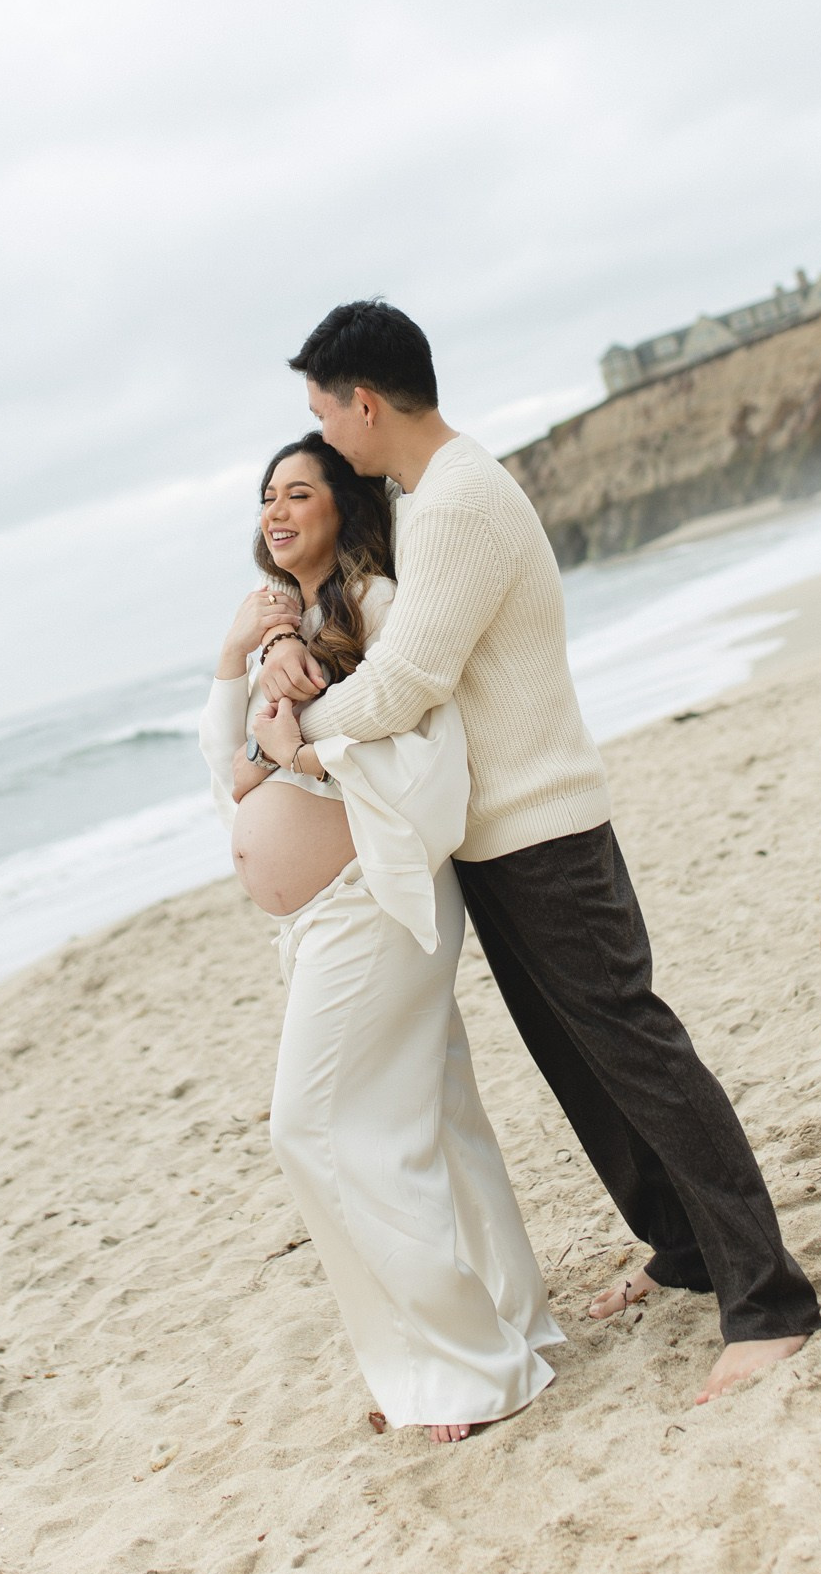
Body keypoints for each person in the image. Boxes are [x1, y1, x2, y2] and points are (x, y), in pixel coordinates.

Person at [257, 302, 821, 1403]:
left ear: (361, 403)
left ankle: (770, 1298)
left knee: (636, 1053)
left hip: (546, 829)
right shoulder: (428, 505)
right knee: (579, 1067)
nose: (325, 434)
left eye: (324, 412)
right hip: (499, 837)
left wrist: (300, 739)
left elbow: (412, 677)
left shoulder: (461, 499)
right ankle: (686, 1250)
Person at [199, 432, 564, 1443]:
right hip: (322, 919)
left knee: (308, 1127)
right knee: (440, 1125)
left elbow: (421, 771)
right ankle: (500, 1335)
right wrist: (236, 656)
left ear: (342, 506)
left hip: (374, 901)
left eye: (298, 492)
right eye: (265, 496)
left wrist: (303, 754)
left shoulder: (376, 608)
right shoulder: (295, 624)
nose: (275, 511)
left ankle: (468, 1368)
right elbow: (223, 774)